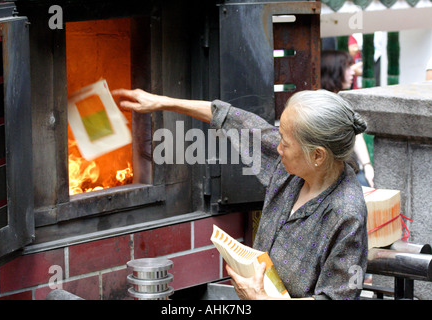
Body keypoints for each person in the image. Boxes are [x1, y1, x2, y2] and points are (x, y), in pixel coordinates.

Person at [112, 88, 368, 300]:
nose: (277, 148)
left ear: (317, 155)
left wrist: (260, 299)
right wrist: (162, 102)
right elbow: (234, 120)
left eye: (284, 143)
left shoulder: (346, 213)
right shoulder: (291, 169)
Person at [321, 50, 374, 188]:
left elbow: (356, 134)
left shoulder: (341, 100)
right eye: (348, 68)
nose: (353, 73)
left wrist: (367, 165)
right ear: (334, 70)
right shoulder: (321, 103)